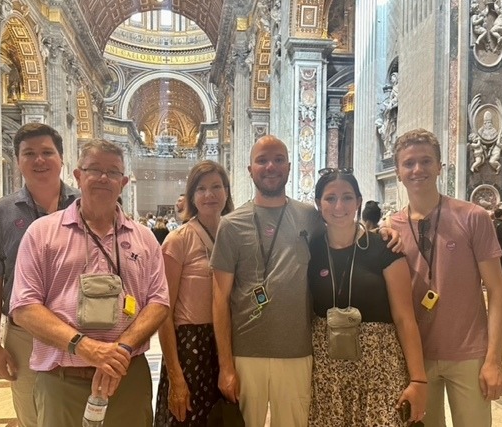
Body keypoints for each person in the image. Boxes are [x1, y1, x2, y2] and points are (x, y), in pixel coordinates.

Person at [210, 135, 401, 426]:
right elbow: (219, 299)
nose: (270, 166)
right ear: (250, 169)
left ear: (288, 167)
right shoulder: (231, 224)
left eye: (277, 159)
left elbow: (344, 228)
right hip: (246, 353)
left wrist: (383, 231)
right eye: (262, 160)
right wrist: (225, 366)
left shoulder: (310, 217)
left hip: (298, 352)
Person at [10, 139, 169, 426]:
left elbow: (158, 302)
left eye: (113, 172)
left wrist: (121, 348)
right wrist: (84, 347)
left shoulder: (144, 238)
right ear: (78, 176)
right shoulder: (42, 233)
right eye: (94, 169)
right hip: (63, 380)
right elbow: (24, 307)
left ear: (124, 182)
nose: (104, 178)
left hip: (127, 377)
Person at [388, 129, 502, 426]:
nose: (418, 169)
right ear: (398, 172)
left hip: (468, 354)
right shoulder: (391, 227)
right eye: (409, 163)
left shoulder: (473, 217)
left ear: (440, 167)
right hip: (417, 359)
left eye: (426, 161)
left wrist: (494, 360)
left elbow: (497, 291)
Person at [0, 123, 79, 427]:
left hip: (80, 332)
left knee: (84, 414)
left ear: (62, 158)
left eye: (47, 152)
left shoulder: (86, 204)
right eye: (29, 153)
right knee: (33, 418)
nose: (39, 160)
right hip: (25, 336)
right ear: (18, 160)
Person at [308, 170, 426, 426]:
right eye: (330, 198)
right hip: (328, 372)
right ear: (318, 204)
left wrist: (418, 380)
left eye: (347, 197)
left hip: (379, 368)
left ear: (359, 201)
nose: (339, 206)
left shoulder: (384, 247)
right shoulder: (310, 249)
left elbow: (405, 317)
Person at [155, 160, 235, 426]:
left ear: (227, 191)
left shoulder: (234, 235)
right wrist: (175, 375)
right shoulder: (178, 240)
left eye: (216, 187)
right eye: (201, 189)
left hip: (227, 344)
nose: (209, 195)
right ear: (191, 196)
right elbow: (163, 312)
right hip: (190, 348)